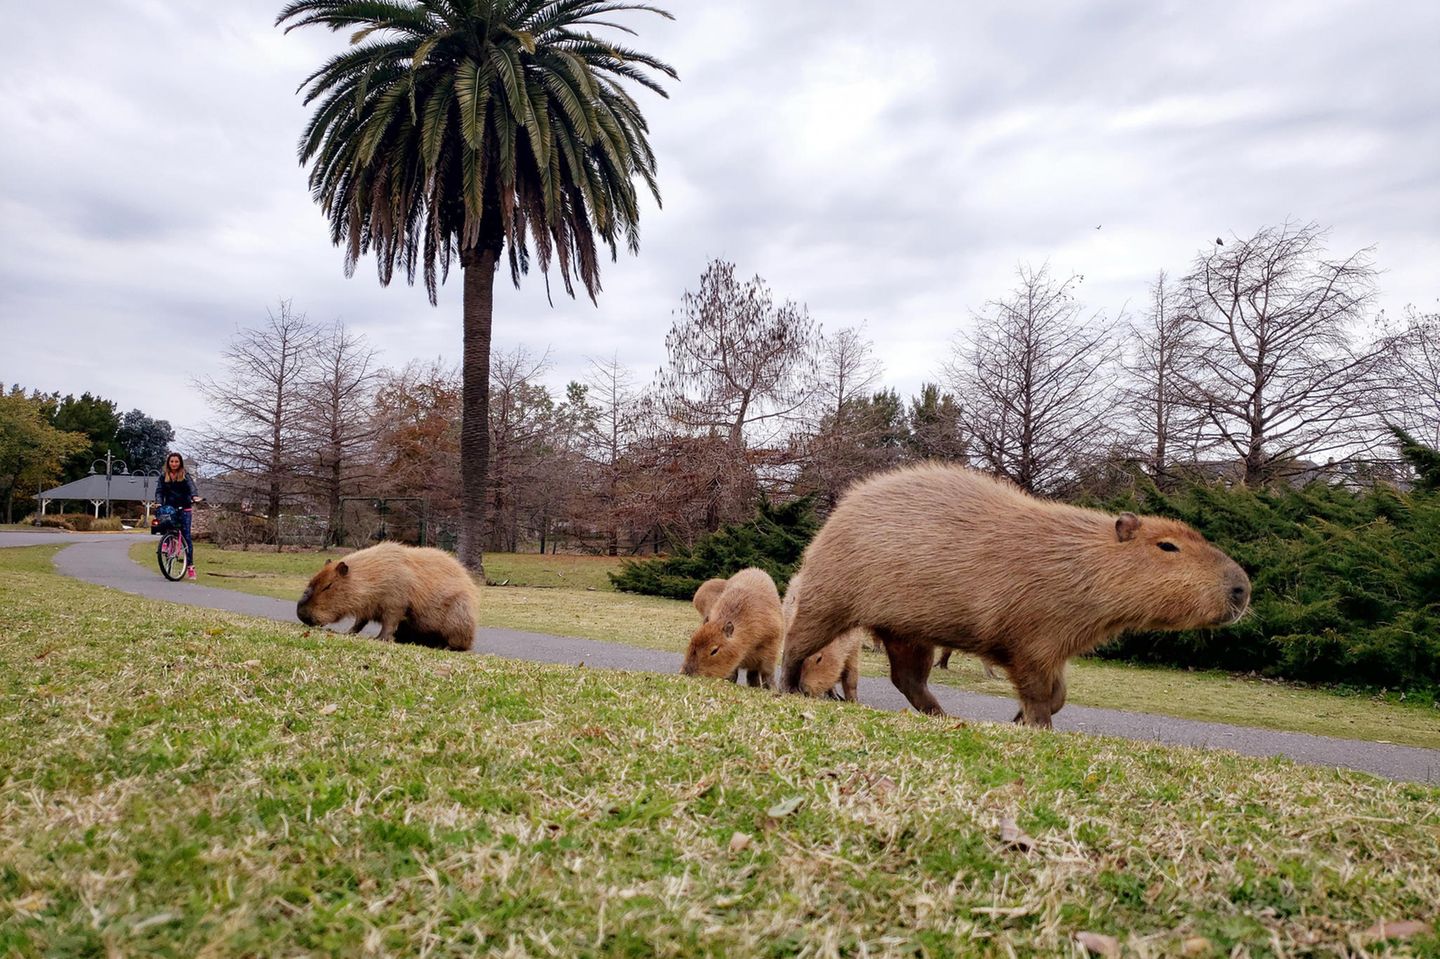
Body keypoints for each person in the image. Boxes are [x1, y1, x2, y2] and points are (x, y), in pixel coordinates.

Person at [156, 452, 203, 579]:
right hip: (170, 506)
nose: (174, 464)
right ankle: (166, 542)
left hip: (185, 507)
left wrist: (194, 496)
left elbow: (191, 487)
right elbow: (159, 491)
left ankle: (190, 567)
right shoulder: (163, 476)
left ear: (180, 463)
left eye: (176, 462)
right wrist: (159, 502)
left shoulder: (185, 476)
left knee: (186, 537)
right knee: (166, 521)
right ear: (168, 463)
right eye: (172, 461)